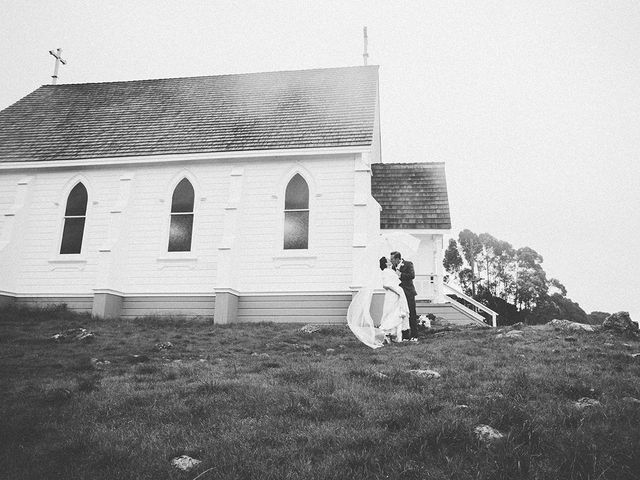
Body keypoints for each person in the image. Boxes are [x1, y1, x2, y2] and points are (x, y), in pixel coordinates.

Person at [378, 256, 410, 343]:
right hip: (392, 294)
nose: (390, 260)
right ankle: (386, 333)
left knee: (398, 312)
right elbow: (385, 285)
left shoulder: (391, 271)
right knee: (391, 312)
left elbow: (395, 280)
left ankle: (396, 336)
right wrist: (396, 291)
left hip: (397, 293)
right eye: (389, 260)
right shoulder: (385, 272)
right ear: (386, 263)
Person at [390, 251, 419, 342]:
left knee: (411, 314)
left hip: (409, 293)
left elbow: (412, 275)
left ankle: (414, 335)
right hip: (399, 294)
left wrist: (401, 274)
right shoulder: (392, 268)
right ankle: (405, 336)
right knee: (402, 315)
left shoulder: (408, 264)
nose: (391, 261)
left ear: (398, 259)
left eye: (392, 259)